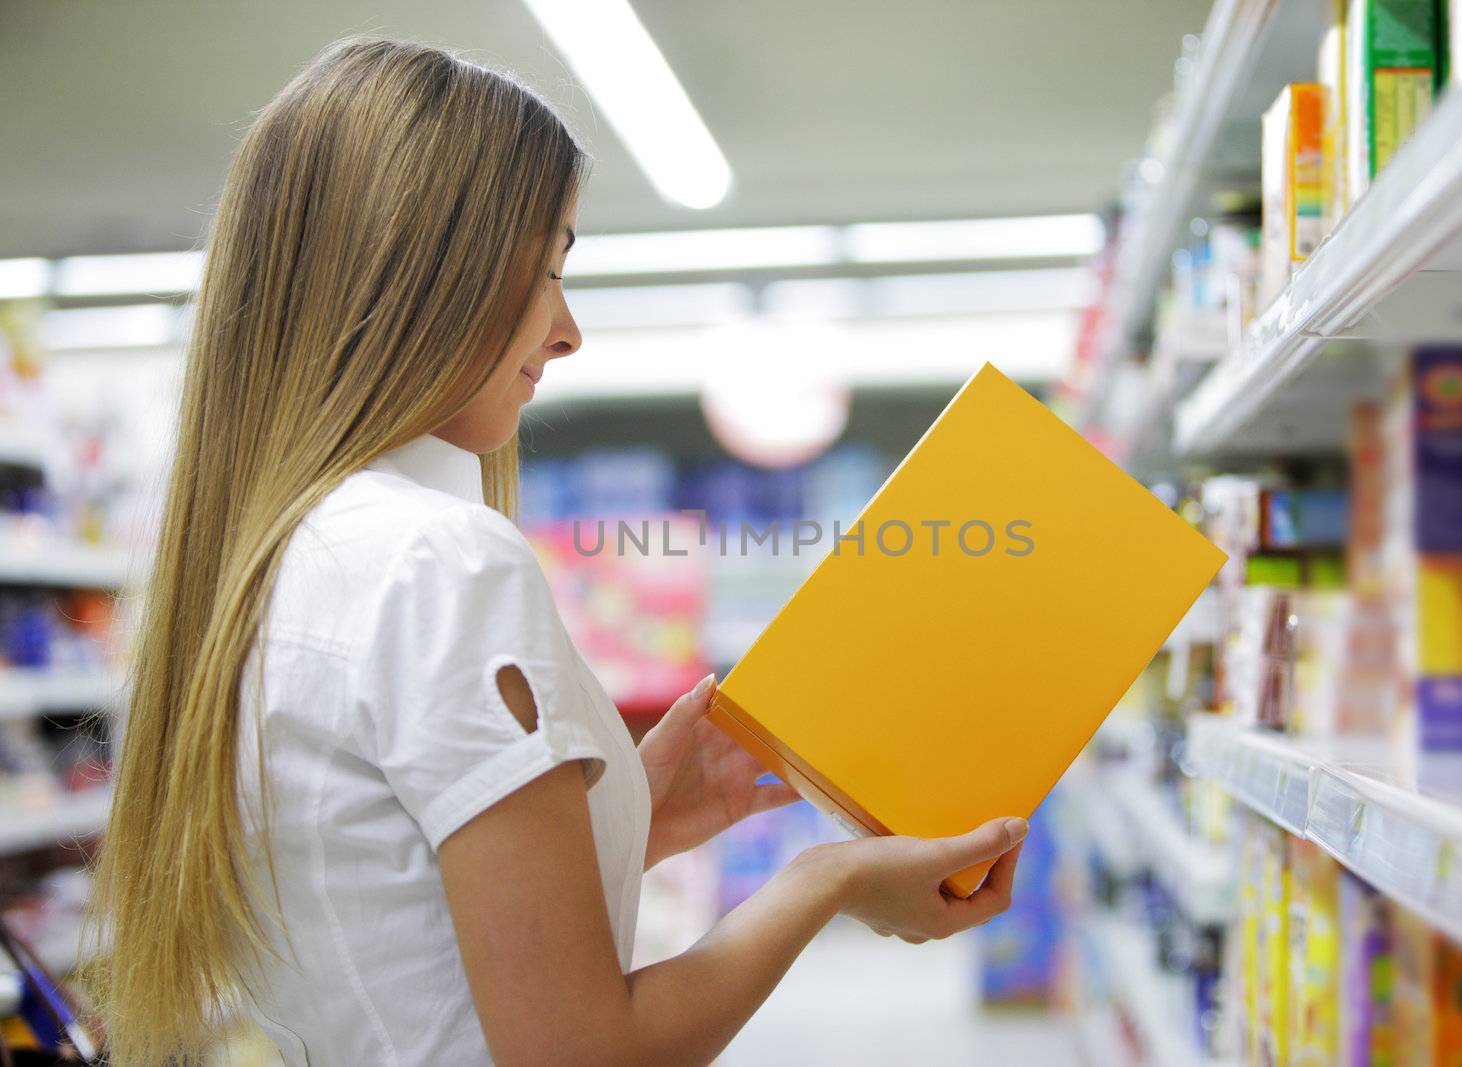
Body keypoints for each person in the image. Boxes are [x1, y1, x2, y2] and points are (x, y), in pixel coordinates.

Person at [89, 38, 1027, 1067]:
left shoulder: (272, 562)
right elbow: (582, 1052)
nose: (568, 327)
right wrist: (827, 878)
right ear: (423, 271)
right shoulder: (439, 561)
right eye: (543, 269)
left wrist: (625, 816)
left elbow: (388, 905)